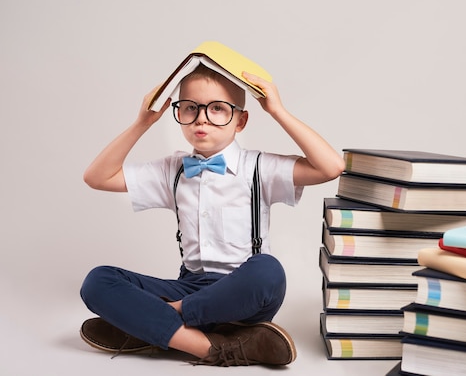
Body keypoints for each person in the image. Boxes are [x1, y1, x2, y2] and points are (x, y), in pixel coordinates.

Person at [79, 63, 345, 367]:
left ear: (241, 120)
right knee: (98, 281)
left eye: (217, 109)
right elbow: (96, 177)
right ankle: (212, 347)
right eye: (190, 108)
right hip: (189, 284)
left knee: (268, 271)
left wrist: (278, 111)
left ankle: (159, 321)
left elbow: (330, 167)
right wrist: (143, 122)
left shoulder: (258, 167)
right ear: (178, 113)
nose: (201, 118)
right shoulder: (173, 170)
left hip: (241, 295)